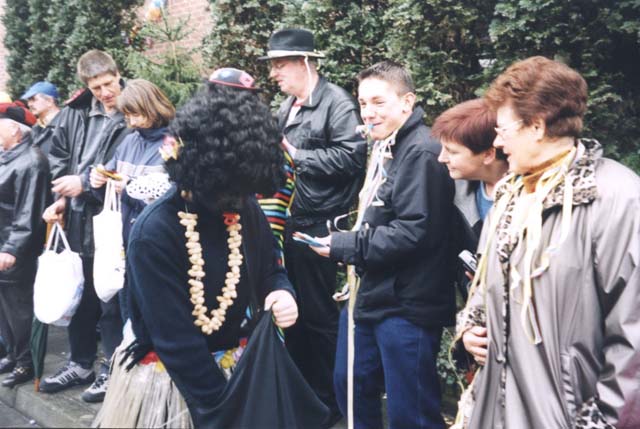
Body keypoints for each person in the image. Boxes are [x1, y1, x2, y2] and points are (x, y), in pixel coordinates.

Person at [96, 71, 300, 428]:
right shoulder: (154, 232)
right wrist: (225, 410)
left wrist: (282, 293)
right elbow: (175, 340)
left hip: (234, 371)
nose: (240, 202)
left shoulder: (242, 203)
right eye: (234, 190)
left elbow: (271, 269)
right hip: (170, 382)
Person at [455, 56, 640, 429]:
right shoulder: (510, 194)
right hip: (493, 413)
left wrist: (601, 423)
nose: (497, 141)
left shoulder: (617, 198)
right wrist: (470, 333)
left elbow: (633, 334)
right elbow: (484, 286)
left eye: (503, 128)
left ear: (536, 126)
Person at [308, 60, 455, 429]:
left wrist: (346, 245)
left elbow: (413, 231)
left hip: (407, 302)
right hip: (371, 293)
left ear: (407, 102)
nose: (368, 113)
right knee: (350, 385)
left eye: (378, 102)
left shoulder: (421, 152)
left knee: (411, 411)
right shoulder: (384, 144)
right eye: (362, 103)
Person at [258, 28, 367, 422]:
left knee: (319, 318)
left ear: (305, 62)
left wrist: (296, 154)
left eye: (280, 65)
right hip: (289, 222)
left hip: (318, 226)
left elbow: (353, 157)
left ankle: (331, 403)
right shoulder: (288, 105)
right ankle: (305, 398)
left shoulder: (337, 103)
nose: (274, 74)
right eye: (272, 66)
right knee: (295, 313)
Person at [40, 50, 129, 402]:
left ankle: (113, 367)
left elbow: (130, 161)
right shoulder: (76, 112)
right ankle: (79, 363)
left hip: (114, 217)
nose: (105, 93)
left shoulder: (133, 107)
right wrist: (61, 196)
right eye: (96, 88)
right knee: (80, 294)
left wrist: (87, 185)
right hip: (78, 216)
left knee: (111, 296)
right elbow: (58, 156)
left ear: (118, 74)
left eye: (109, 84)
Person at [90, 78, 174, 330]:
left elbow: (174, 198)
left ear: (152, 108)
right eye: (127, 115)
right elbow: (111, 183)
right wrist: (98, 182)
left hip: (158, 245)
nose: (132, 122)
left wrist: (130, 187)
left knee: (155, 317)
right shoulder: (129, 141)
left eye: (136, 114)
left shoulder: (174, 144)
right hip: (125, 244)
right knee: (127, 316)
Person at [433, 98, 508, 299]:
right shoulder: (455, 190)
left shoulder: (530, 198)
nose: (441, 158)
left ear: (488, 154)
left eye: (452, 151)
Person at [0, 102, 49, 388]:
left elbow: (29, 212)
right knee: (5, 305)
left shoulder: (31, 162)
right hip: (4, 241)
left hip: (15, 248)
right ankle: (13, 354)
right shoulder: (8, 157)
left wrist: (11, 249)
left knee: (18, 307)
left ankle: (25, 361)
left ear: (14, 130)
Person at [21, 81, 61, 156]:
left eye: (33, 99)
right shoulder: (35, 129)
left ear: (49, 101)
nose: (29, 104)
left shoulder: (66, 123)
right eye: (28, 100)